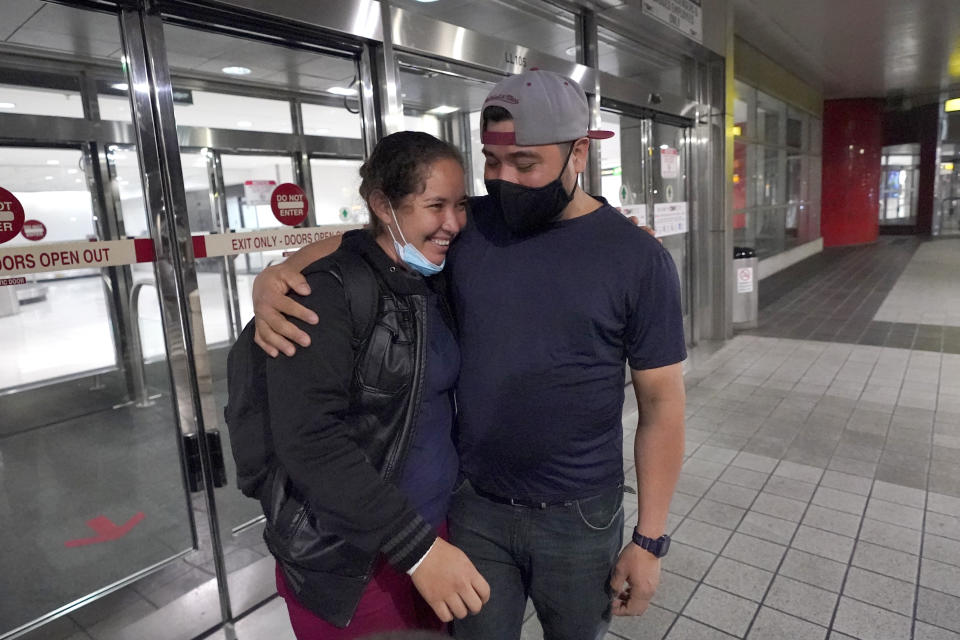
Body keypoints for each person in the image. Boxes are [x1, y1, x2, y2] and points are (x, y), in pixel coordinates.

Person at [253, 70, 686, 640]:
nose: (503, 179)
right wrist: (280, 272)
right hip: (475, 508)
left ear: (578, 153)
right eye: (492, 161)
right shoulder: (471, 227)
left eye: (525, 163)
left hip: (580, 515)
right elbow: (376, 237)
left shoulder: (636, 259)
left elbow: (662, 407)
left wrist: (649, 541)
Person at [254, 131, 490, 639]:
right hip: (354, 566)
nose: (453, 222)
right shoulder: (323, 296)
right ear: (383, 204)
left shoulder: (429, 279)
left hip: (431, 539)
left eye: (460, 205)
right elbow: (310, 442)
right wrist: (416, 549)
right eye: (435, 206)